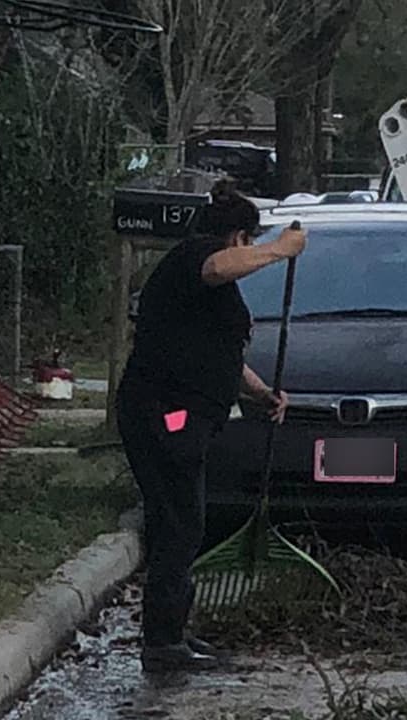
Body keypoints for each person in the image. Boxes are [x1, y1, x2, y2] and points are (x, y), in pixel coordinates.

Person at [117, 181, 304, 672]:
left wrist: (259, 392)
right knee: (178, 523)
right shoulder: (196, 257)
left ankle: (173, 630)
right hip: (166, 414)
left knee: (185, 522)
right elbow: (220, 265)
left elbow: (217, 354)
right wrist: (280, 250)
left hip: (187, 413)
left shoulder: (203, 293)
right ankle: (162, 642)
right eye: (249, 243)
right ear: (238, 236)